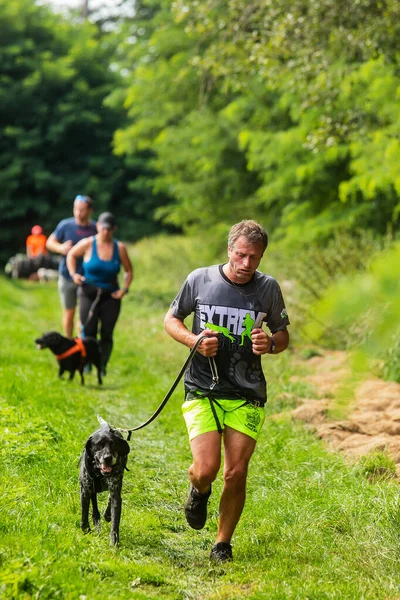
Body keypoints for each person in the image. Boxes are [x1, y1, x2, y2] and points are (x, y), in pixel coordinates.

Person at [164, 220, 290, 563]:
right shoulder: (200, 280)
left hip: (247, 392)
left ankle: (222, 543)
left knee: (235, 472)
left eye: (255, 257)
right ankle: (198, 490)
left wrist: (271, 344)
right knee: (206, 468)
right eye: (241, 255)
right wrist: (194, 341)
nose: (247, 264)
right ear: (229, 250)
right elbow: (171, 320)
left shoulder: (268, 288)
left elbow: (283, 335)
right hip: (202, 388)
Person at [66, 212, 133, 376]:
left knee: (107, 332)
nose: (106, 232)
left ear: (114, 229)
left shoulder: (120, 248)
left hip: (110, 295)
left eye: (109, 229)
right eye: (103, 228)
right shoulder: (88, 243)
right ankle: (87, 362)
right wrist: (74, 274)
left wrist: (124, 289)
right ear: (98, 227)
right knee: (88, 329)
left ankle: (102, 364)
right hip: (88, 292)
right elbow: (71, 255)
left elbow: (128, 270)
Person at [46, 195, 97, 338]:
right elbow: (49, 243)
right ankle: (69, 344)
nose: (78, 213)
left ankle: (82, 344)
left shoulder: (95, 228)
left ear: (90, 210)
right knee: (69, 313)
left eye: (82, 210)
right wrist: (61, 248)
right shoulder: (65, 225)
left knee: (84, 315)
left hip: (88, 279)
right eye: (76, 209)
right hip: (67, 277)